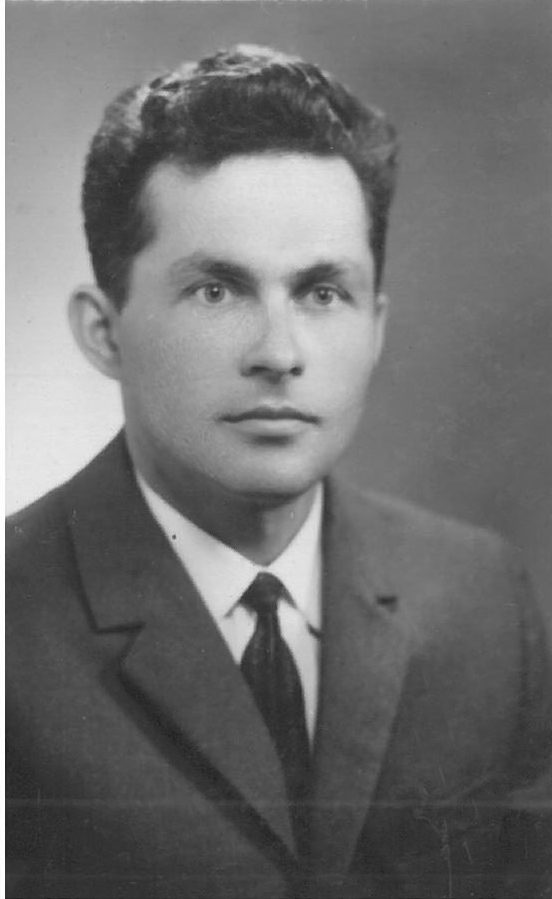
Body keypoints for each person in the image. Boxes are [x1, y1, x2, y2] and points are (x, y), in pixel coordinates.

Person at [6, 44, 551, 899]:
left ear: (375, 326)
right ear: (103, 332)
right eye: (216, 290)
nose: (279, 352)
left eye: (322, 292)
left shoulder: (482, 600)